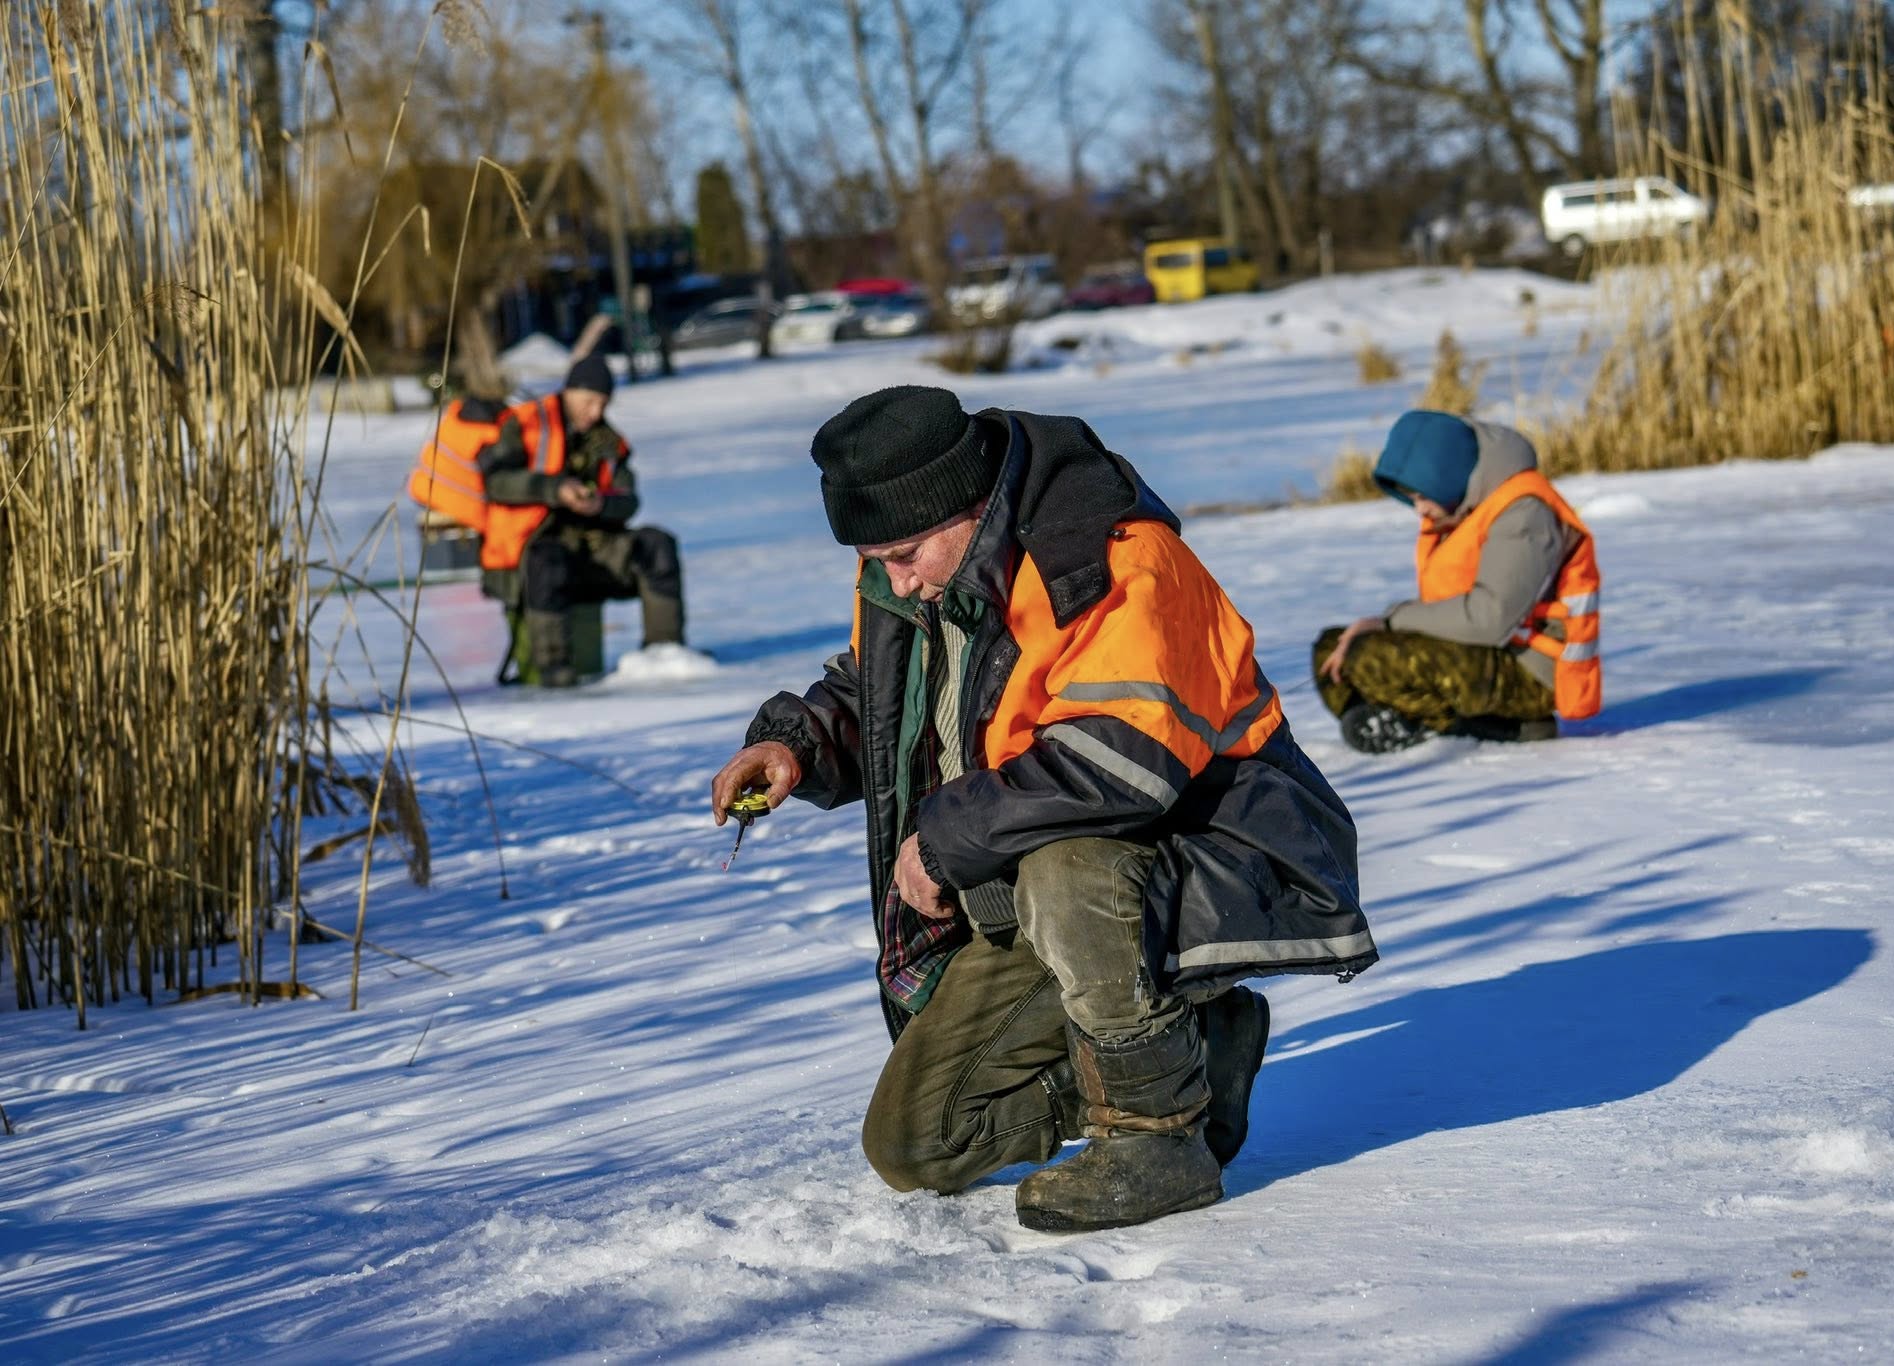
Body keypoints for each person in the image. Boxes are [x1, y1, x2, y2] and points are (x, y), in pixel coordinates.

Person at [710, 386, 1374, 1233]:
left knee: (1071, 859)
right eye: (874, 558)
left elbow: (1121, 767)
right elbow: (899, 689)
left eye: (905, 552)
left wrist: (944, 840)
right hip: (1025, 885)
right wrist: (798, 742)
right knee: (917, 1145)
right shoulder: (920, 570)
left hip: (1214, 854)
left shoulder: (1111, 557)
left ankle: (1157, 1140)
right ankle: (1199, 1051)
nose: (893, 579)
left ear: (968, 504)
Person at [1314, 409, 1602, 754]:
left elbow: (1490, 618)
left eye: (1421, 496)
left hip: (1530, 674)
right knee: (1333, 648)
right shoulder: (1463, 507)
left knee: (1367, 653)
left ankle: (1501, 727)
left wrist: (1391, 620)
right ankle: (1377, 720)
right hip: (1479, 651)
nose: (1418, 510)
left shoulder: (1525, 514)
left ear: (1444, 476)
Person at [475, 354, 685, 686]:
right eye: (589, 402)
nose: (596, 412)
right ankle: (554, 671)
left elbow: (628, 498)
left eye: (603, 404)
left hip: (597, 551)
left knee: (656, 545)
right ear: (569, 391)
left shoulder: (608, 442)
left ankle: (664, 655)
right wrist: (554, 489)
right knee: (548, 562)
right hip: (534, 552)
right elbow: (495, 482)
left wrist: (601, 504)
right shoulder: (525, 423)